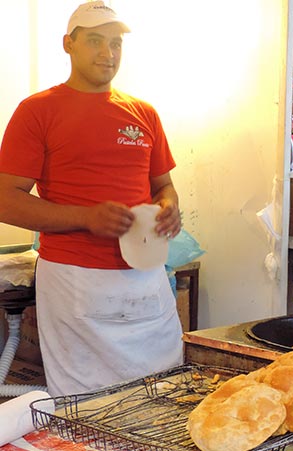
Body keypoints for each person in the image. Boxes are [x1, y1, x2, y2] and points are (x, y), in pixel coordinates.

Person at [0, 1, 183, 396]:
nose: (108, 53)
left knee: (163, 393)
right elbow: (6, 201)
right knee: (84, 409)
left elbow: (163, 185)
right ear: (69, 44)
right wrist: (86, 217)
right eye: (96, 41)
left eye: (116, 43)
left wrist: (170, 207)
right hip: (75, 282)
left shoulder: (143, 113)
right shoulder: (37, 112)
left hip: (147, 277)